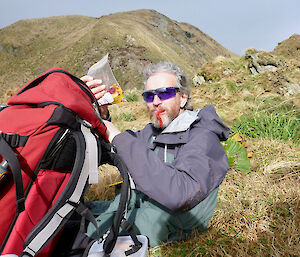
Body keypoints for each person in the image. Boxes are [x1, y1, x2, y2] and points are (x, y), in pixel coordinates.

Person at [82, 61, 230, 247]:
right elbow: (117, 150)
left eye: (165, 93)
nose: (156, 101)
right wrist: (102, 119)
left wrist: (118, 137)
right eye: (149, 96)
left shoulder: (202, 136)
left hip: (177, 219)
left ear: (183, 98)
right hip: (145, 203)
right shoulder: (154, 132)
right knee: (75, 214)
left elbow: (179, 194)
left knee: (81, 235)